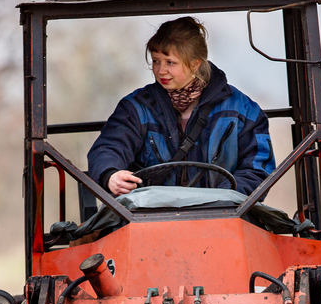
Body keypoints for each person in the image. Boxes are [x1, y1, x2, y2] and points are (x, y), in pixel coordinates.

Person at [88, 16, 275, 198]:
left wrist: (221, 201)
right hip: (147, 220)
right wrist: (110, 175)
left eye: (170, 62)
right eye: (156, 61)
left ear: (195, 64)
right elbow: (109, 147)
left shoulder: (243, 111)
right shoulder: (135, 108)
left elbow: (257, 171)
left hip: (225, 217)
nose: (161, 70)